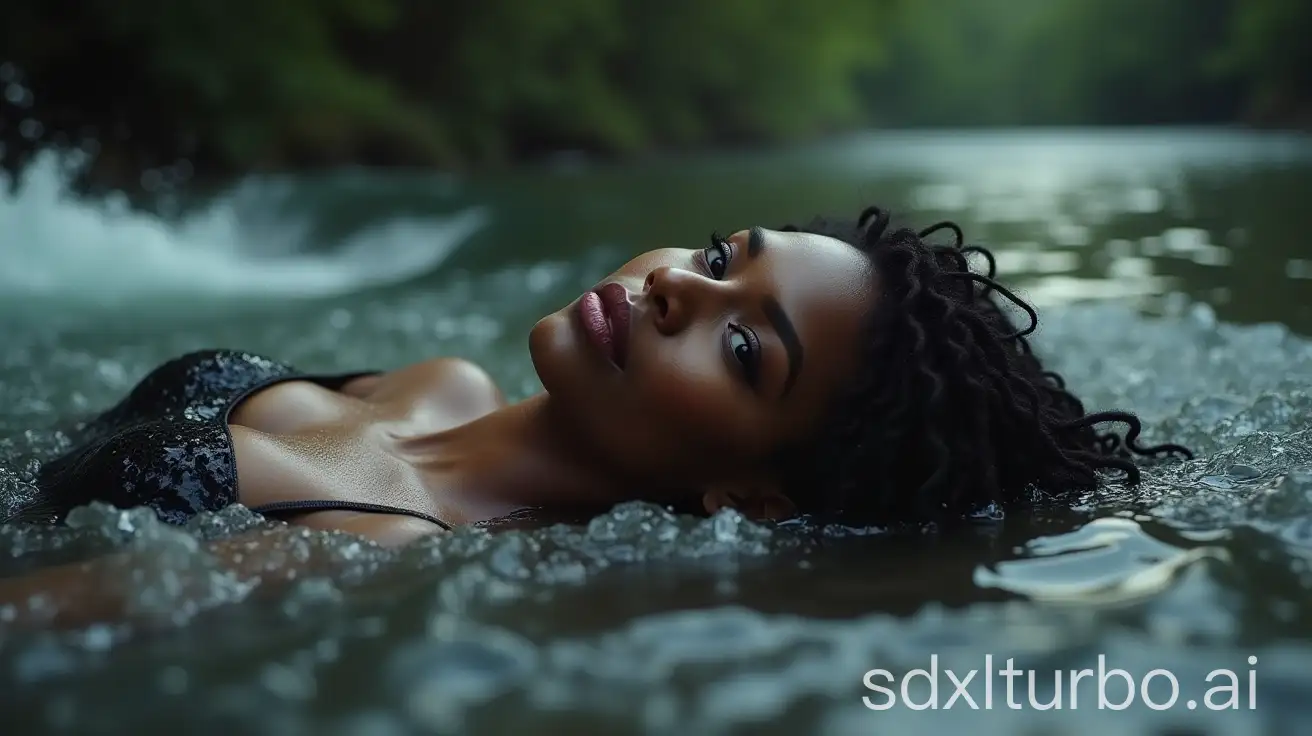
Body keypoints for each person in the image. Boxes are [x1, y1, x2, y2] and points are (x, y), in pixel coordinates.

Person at [7, 204, 1193, 550]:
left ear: (748, 496)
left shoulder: (372, 546)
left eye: (743, 348)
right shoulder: (438, 379)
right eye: (724, 257)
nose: (681, 284)